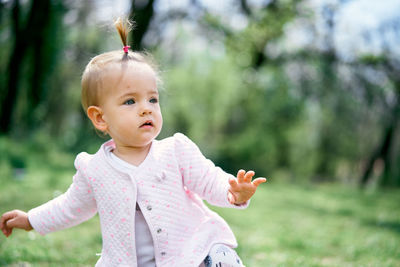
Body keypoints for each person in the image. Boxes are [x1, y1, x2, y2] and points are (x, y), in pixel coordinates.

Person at [0, 18, 266, 267]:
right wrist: (31, 219)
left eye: (152, 99)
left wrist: (233, 192)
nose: (146, 109)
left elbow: (209, 180)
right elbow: (70, 206)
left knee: (218, 258)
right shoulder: (95, 170)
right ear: (100, 118)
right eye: (130, 101)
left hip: (190, 255)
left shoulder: (176, 151)